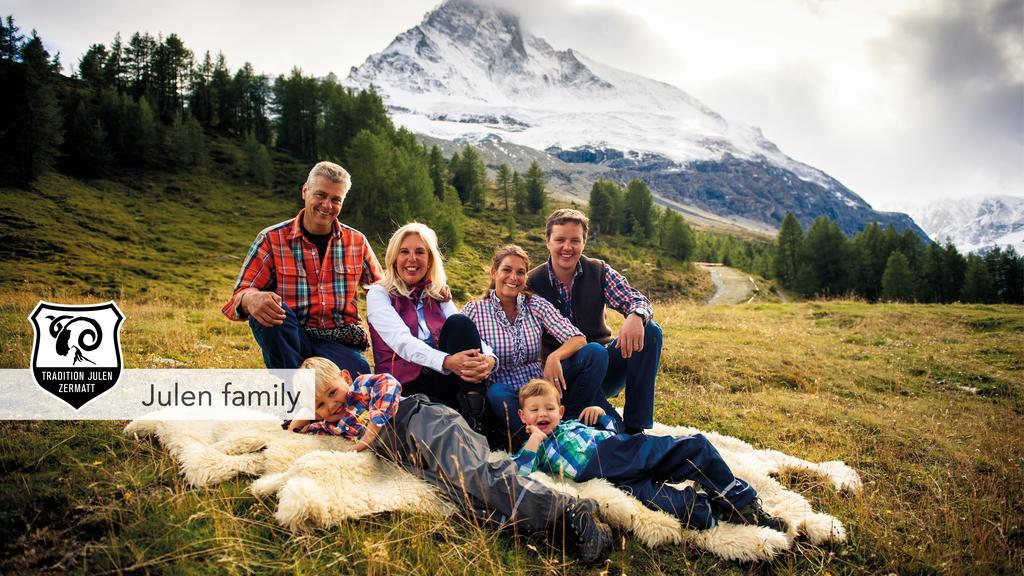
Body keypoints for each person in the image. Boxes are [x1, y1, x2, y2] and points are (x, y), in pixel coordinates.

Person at [299, 356, 614, 565]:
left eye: (331, 392)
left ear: (344, 378)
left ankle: (570, 508)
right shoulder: (331, 422)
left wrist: (369, 435)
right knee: (468, 501)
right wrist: (300, 421)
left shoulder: (363, 387)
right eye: (321, 404)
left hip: (425, 423)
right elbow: (306, 426)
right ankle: (558, 528)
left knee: (476, 477)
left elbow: (389, 386)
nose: (332, 404)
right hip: (412, 456)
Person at [512, 379, 788, 533]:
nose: (543, 415)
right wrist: (535, 439)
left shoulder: (572, 425)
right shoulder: (534, 448)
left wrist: (602, 416)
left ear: (560, 412)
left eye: (549, 408)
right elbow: (520, 472)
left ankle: (742, 503)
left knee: (694, 447)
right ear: (523, 417)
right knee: (683, 510)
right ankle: (718, 510)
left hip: (619, 452)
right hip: (610, 479)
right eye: (535, 411)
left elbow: (615, 431)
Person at [222, 161, 382, 375]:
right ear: (305, 191)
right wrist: (251, 299)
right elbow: (240, 294)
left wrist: (430, 288)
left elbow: (382, 289)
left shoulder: (357, 241)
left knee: (359, 372)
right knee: (270, 311)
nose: (327, 205)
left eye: (336, 199)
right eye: (321, 195)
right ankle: (296, 392)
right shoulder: (271, 238)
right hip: (291, 336)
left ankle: (303, 385)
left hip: (337, 341)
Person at [462, 245, 620, 444]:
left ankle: (569, 421)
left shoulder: (535, 304)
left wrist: (555, 357)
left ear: (526, 277)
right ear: (494, 272)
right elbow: (453, 338)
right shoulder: (474, 310)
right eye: (507, 270)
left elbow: (578, 338)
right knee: (497, 394)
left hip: (544, 388)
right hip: (509, 395)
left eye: (520, 272)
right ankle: (536, 440)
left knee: (595, 352)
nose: (513, 277)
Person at [527, 209, 660, 435]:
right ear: (548, 241)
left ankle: (636, 426)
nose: (567, 247)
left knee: (651, 332)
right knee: (593, 352)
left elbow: (635, 299)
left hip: (602, 365)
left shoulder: (598, 271)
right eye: (560, 239)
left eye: (574, 240)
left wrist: (636, 315)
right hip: (561, 375)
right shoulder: (532, 282)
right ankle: (606, 423)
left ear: (584, 242)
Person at [366, 223, 497, 433]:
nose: (412, 259)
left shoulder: (437, 294)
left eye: (420, 252)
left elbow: (463, 325)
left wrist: (490, 359)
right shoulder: (378, 294)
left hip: (443, 376)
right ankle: (465, 421)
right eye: (404, 252)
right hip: (405, 381)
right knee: (442, 418)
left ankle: (476, 416)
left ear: (429, 260)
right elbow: (402, 342)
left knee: (459, 324)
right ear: (393, 258)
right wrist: (446, 361)